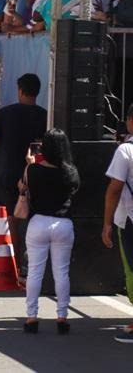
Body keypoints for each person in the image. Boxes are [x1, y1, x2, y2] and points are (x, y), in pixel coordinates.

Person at [0, 73, 47, 278]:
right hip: (37, 172)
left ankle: (15, 266)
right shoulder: (45, 115)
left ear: (19, 90)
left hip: (9, 171)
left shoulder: (5, 113)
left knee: (11, 219)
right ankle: (34, 264)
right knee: (34, 217)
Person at [21, 129, 79, 335]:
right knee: (61, 272)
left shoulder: (33, 169)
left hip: (38, 222)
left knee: (35, 271)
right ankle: (62, 316)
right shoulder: (70, 171)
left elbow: (22, 187)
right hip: (63, 223)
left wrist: (29, 164)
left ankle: (31, 317)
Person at [102, 103, 133, 343]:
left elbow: (114, 190)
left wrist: (107, 223)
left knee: (132, 270)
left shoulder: (125, 151)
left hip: (130, 219)